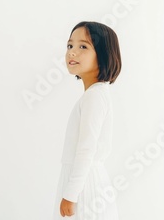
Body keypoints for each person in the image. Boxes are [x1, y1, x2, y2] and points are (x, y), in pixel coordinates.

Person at [53, 21, 122, 219]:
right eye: (70, 45)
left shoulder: (94, 96)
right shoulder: (94, 95)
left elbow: (86, 149)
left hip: (84, 185)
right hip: (82, 180)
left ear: (103, 54)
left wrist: (71, 194)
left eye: (83, 46)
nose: (72, 52)